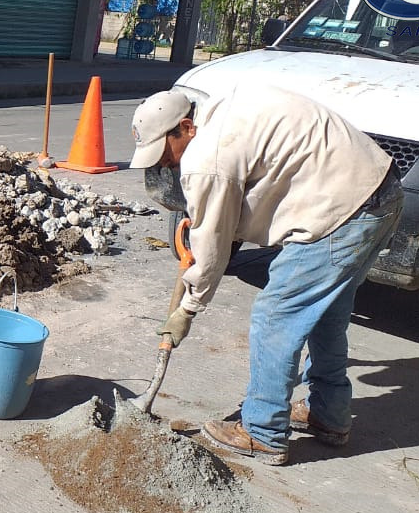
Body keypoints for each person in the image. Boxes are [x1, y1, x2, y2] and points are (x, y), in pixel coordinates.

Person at [129, 85, 402, 466]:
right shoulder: (225, 112)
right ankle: (328, 413)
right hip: (379, 190)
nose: (165, 166)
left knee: (276, 316)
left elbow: (211, 249)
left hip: (341, 210)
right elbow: (235, 213)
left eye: (164, 154)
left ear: (185, 127)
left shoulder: (207, 157)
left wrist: (188, 308)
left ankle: (263, 433)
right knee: (326, 314)